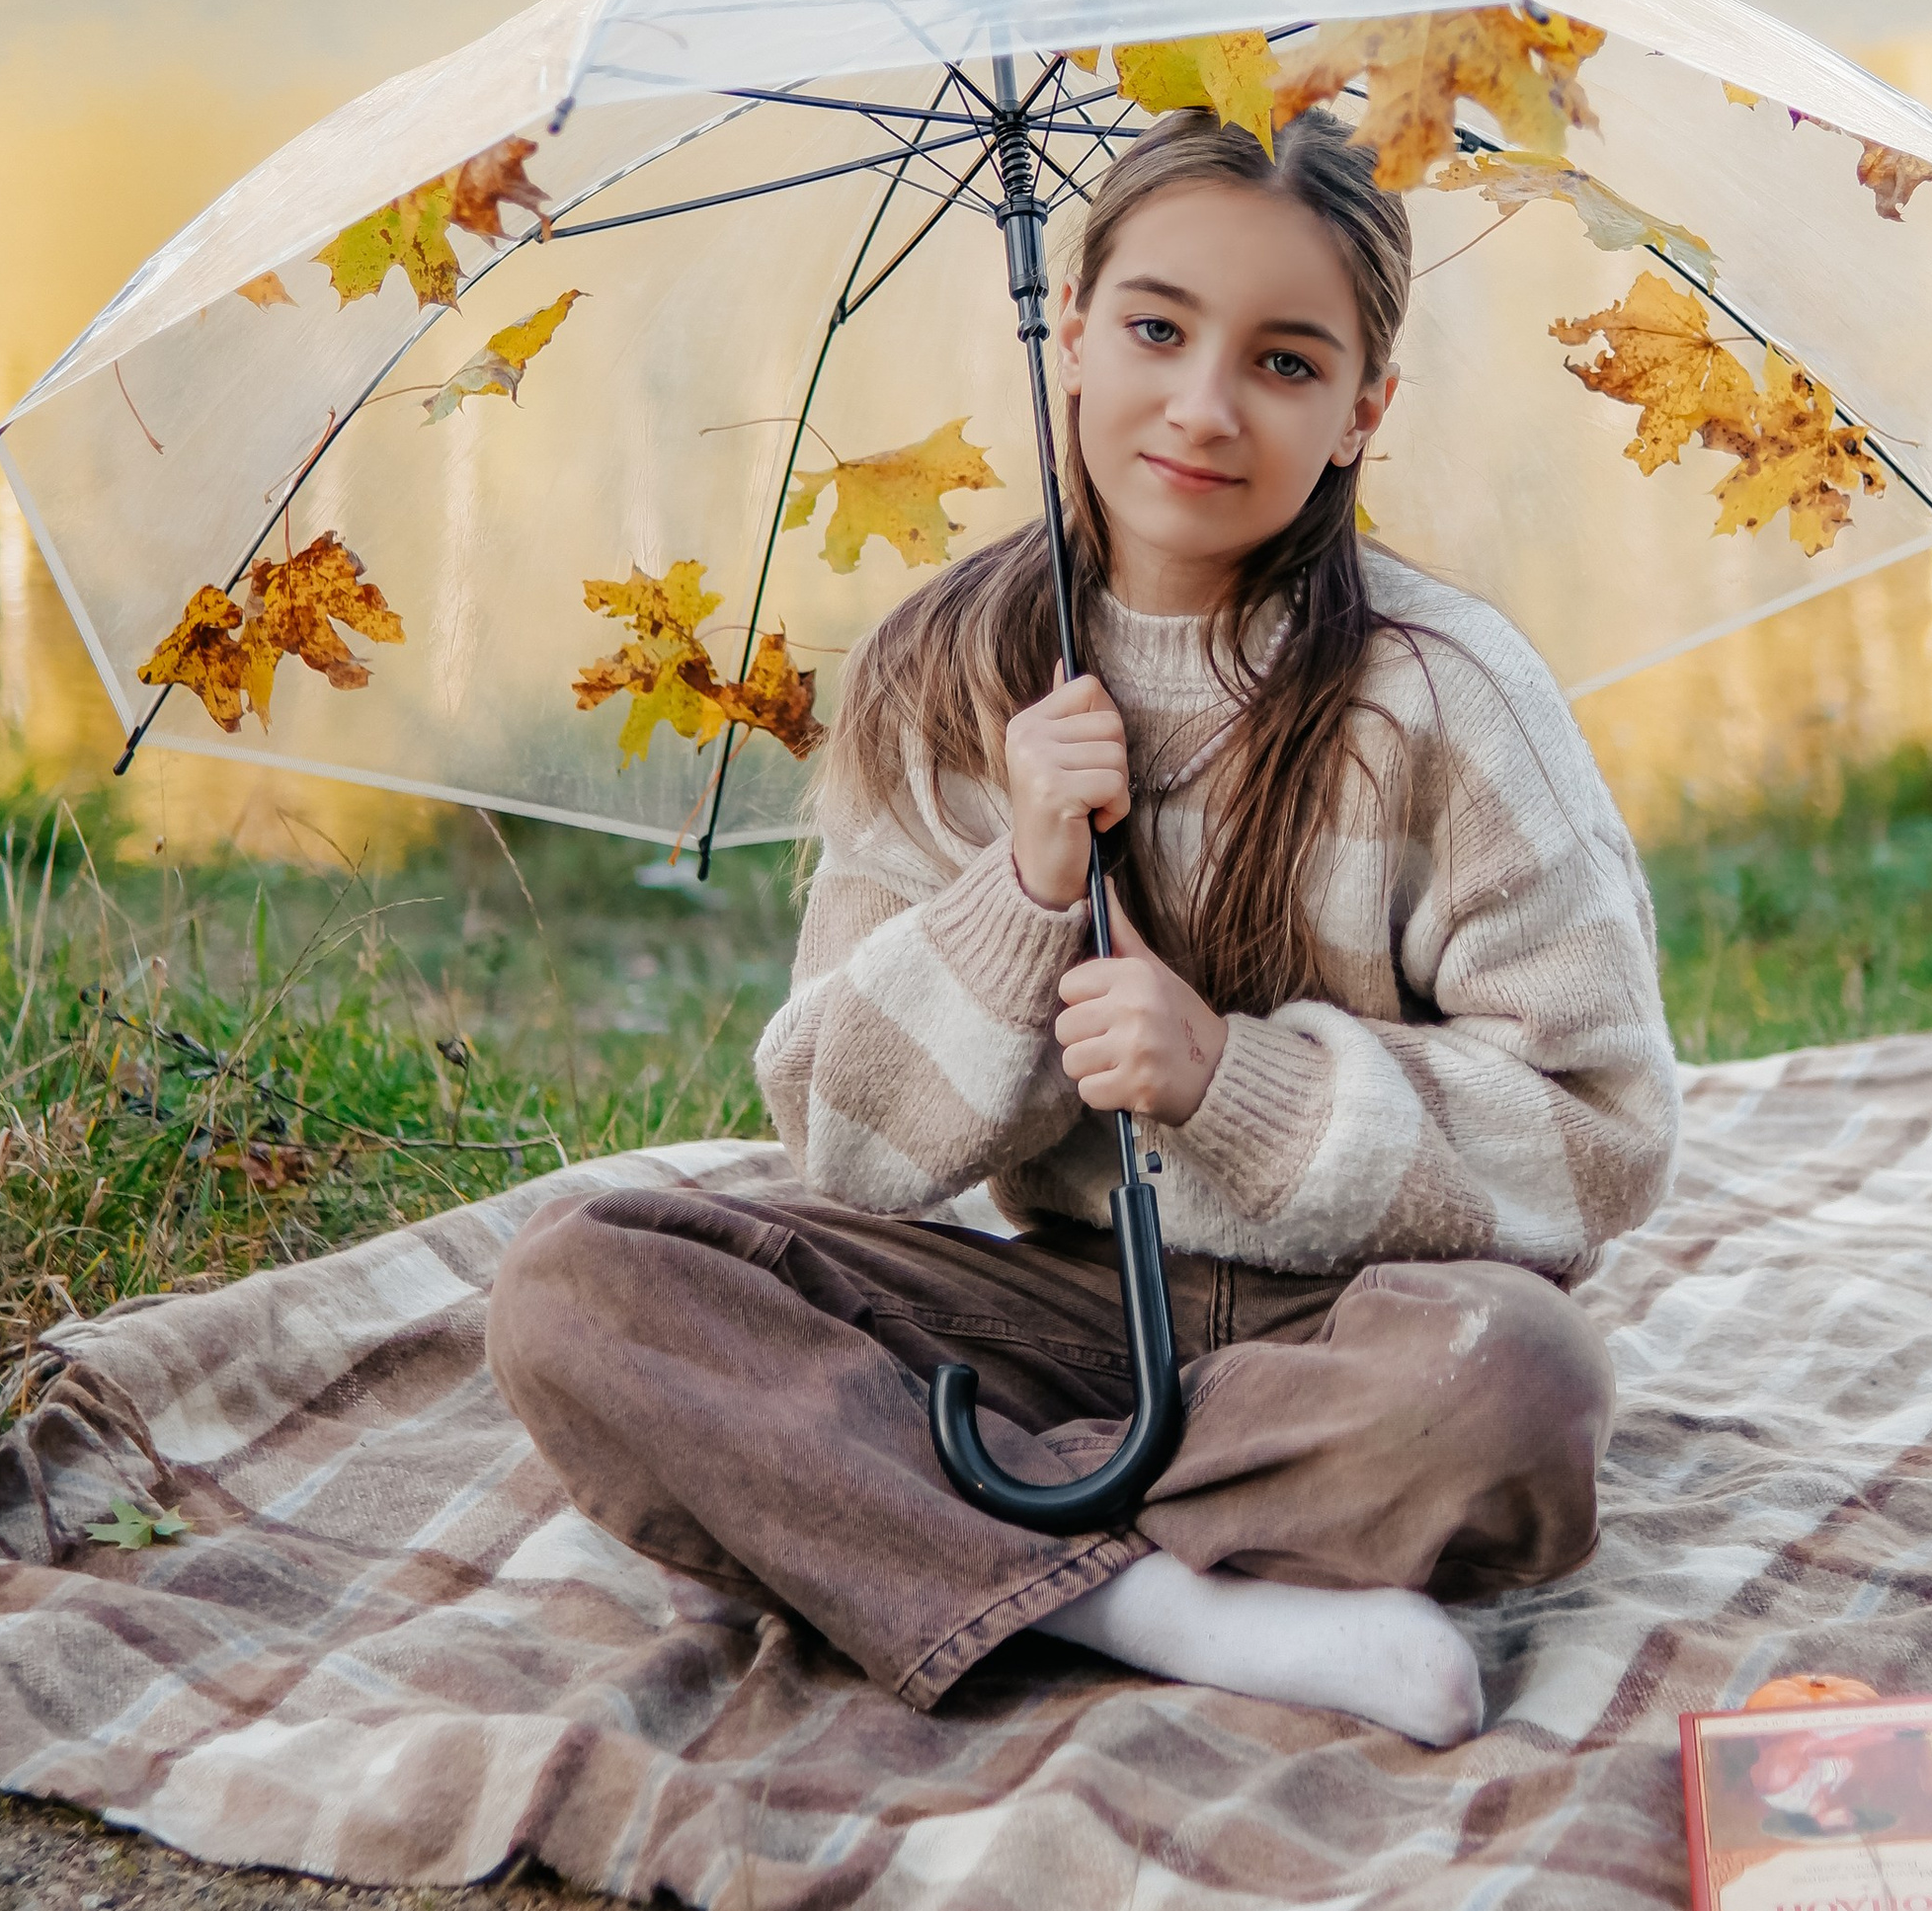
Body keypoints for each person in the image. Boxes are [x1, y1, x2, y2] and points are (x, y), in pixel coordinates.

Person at [488, 109, 1680, 1748]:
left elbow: (1601, 1132)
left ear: (1363, 411)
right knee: (580, 1293)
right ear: (1069, 331)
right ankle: (1163, 1604)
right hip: (1047, 1314)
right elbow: (837, 1134)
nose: (1202, 407)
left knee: (1522, 1382)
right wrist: (1027, 885)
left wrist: (1232, 1083)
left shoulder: (1448, 698)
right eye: (1156, 330)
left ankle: (931, 1526)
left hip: (1357, 1335)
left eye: (1284, 362)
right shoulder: (944, 675)